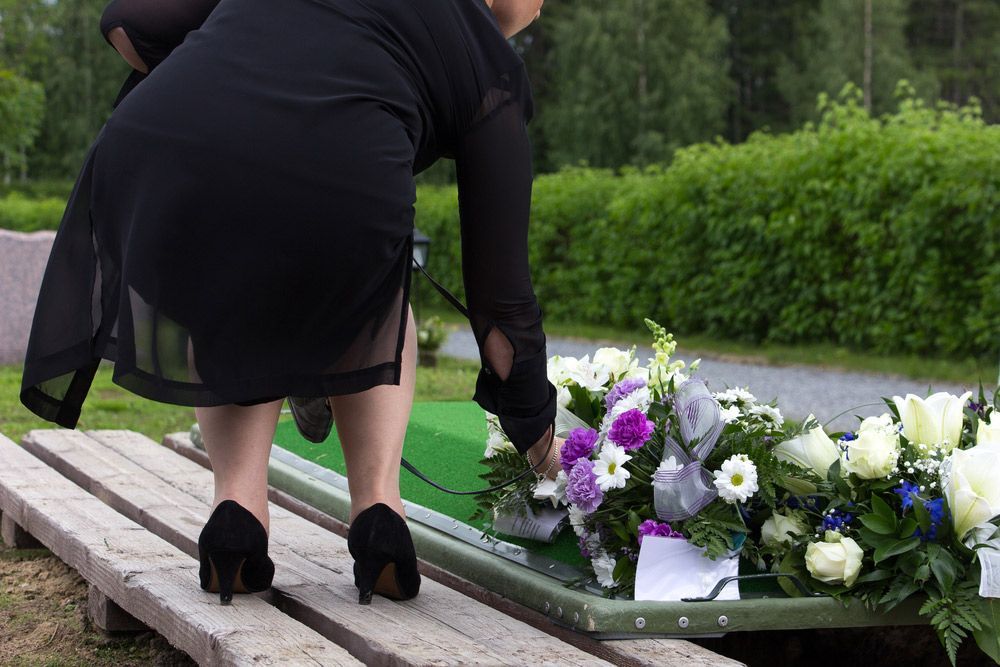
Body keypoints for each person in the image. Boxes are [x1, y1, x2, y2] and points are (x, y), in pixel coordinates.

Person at [19, 0, 564, 606]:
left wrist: (241, 63)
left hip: (164, 149)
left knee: (234, 305)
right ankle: (380, 511)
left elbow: (127, 21)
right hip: (339, 180)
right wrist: (539, 435)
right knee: (380, 304)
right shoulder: (488, 63)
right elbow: (502, 302)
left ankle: (236, 516)